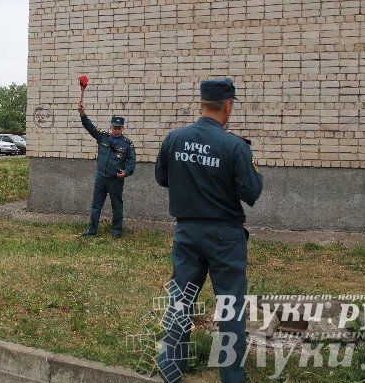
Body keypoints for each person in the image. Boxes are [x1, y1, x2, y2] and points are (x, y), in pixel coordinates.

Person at [154, 78, 263, 383]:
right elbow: (251, 192)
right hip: (225, 238)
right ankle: (231, 377)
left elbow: (162, 178)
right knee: (230, 308)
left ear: (202, 104)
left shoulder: (174, 139)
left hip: (187, 234)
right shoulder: (235, 146)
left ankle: (171, 368)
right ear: (227, 106)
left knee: (180, 300)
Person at [77, 102, 136, 238]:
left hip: (115, 179)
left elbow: (132, 161)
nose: (116, 130)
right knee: (96, 205)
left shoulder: (127, 144)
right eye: (114, 128)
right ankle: (92, 230)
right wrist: (82, 114)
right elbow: (90, 128)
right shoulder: (103, 137)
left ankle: (116, 231)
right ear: (111, 127)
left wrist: (126, 172)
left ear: (122, 128)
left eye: (119, 128)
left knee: (116, 206)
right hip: (101, 178)